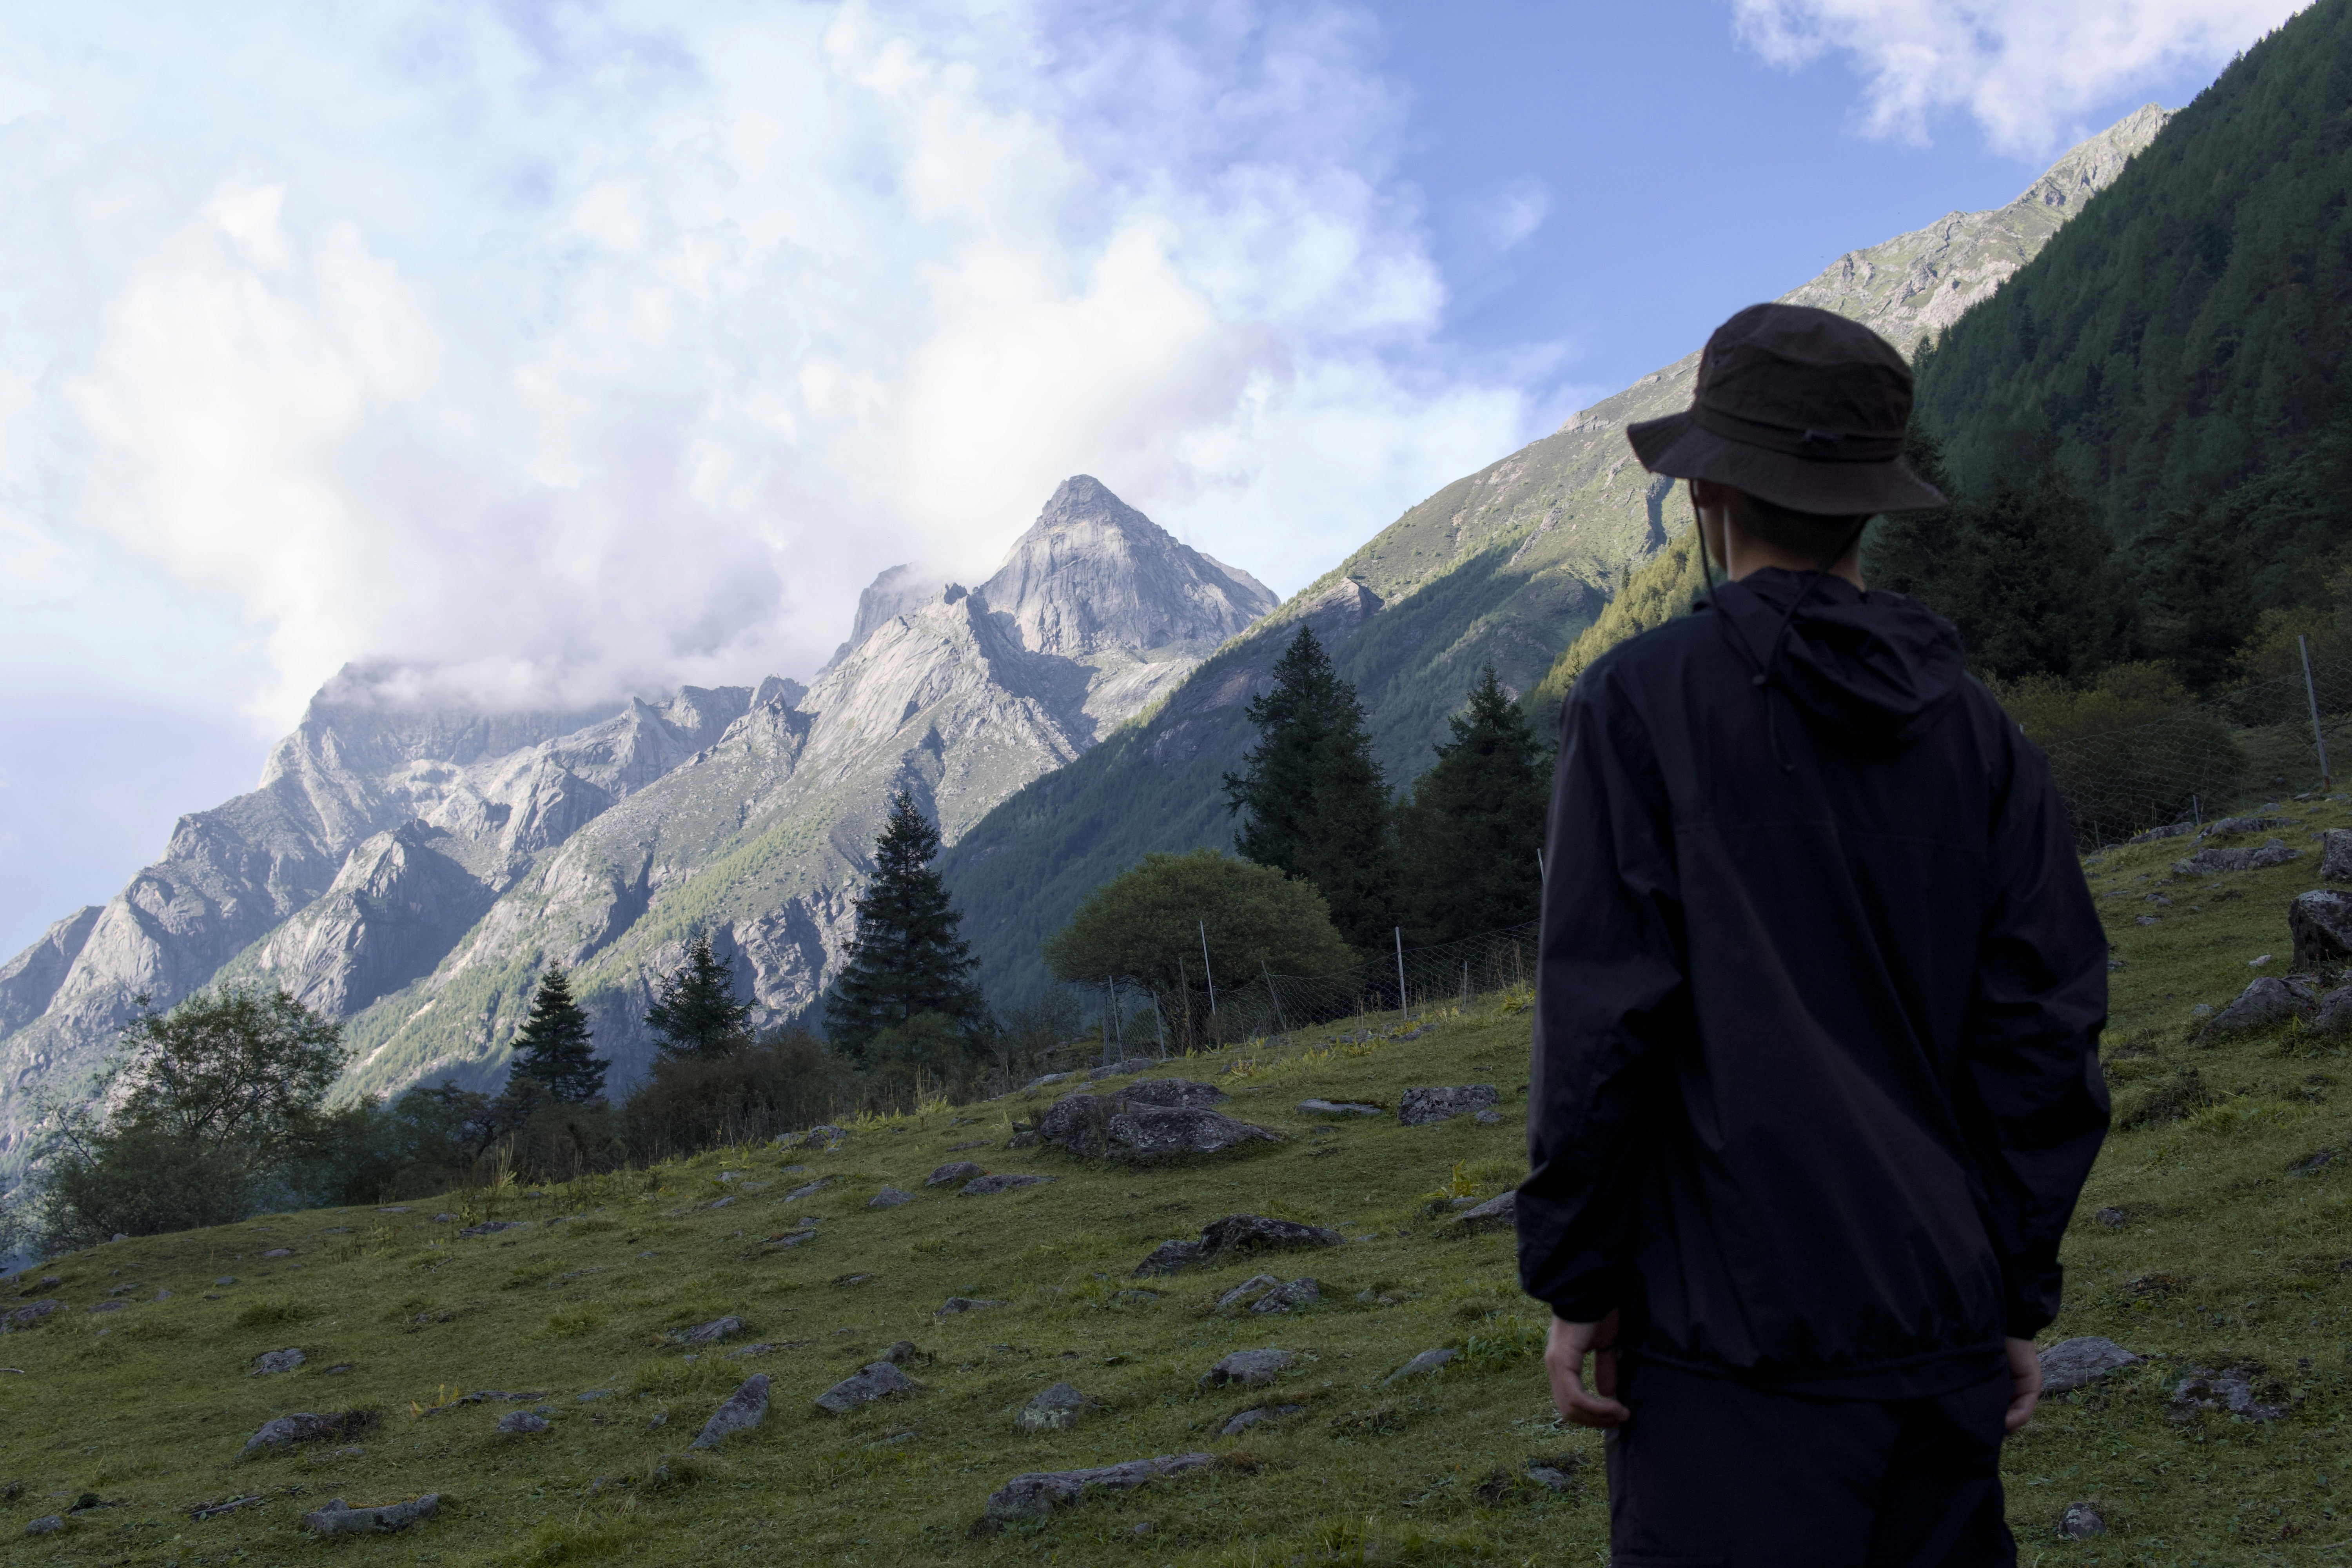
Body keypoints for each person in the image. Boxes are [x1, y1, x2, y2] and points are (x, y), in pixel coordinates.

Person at [1517, 302, 2110, 1565]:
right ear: (1869, 506)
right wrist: (2012, 1292)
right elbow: (2046, 1036)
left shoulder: (1639, 705)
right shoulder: (1983, 735)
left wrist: (1579, 1283)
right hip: (1942, 1330)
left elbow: (1600, 1026)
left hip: (1727, 1347)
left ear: (1708, 490)